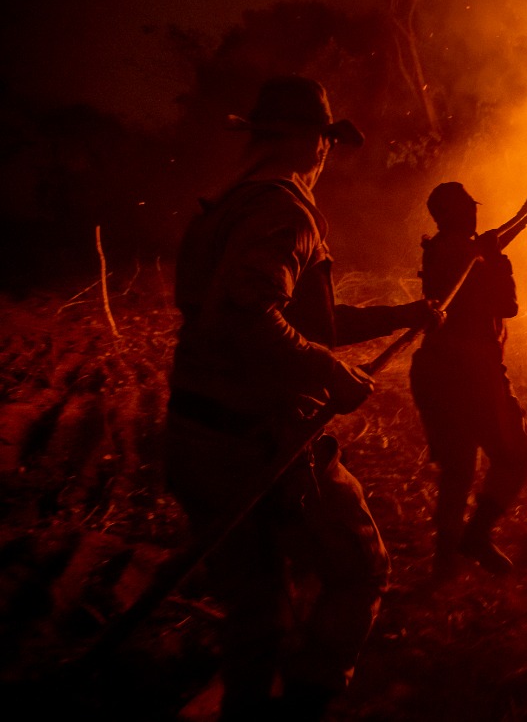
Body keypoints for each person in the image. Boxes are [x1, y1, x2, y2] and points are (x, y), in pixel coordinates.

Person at [164, 75, 441, 721]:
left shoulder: (235, 202)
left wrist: (403, 313)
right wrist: (329, 374)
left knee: (255, 604)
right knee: (360, 568)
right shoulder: (284, 209)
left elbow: (304, 318)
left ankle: (249, 705)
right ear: (308, 141)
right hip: (258, 443)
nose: (327, 156)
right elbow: (245, 317)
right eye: (325, 141)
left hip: (199, 435)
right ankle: (306, 699)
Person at [409, 181, 527, 581]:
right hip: (472, 375)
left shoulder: (442, 248)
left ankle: (444, 567)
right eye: (468, 208)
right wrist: (501, 261)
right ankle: (475, 535)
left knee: (457, 470)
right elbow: (508, 304)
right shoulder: (468, 255)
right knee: (518, 454)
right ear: (452, 215)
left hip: (435, 371)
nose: (474, 213)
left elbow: (490, 240)